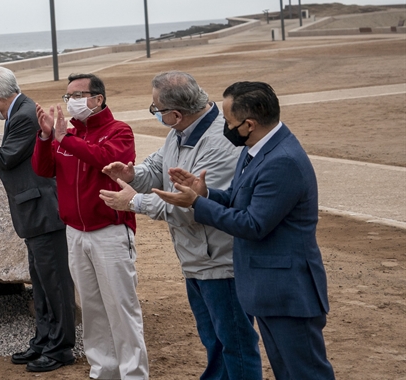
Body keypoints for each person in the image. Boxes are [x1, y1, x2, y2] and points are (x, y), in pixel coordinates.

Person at [155, 81, 333, 379]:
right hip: (268, 288)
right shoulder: (255, 149)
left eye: (228, 122)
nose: (225, 127)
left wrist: (197, 204)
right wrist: (206, 193)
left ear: (249, 124)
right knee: (286, 371)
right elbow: (241, 200)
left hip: (288, 291)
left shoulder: (282, 161)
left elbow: (253, 225)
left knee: (305, 372)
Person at [99, 72, 260, 380]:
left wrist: (135, 202)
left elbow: (190, 206)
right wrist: (134, 175)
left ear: (175, 114)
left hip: (222, 262)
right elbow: (160, 166)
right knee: (216, 342)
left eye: (156, 109)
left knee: (236, 346)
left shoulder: (221, 142)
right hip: (197, 259)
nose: (156, 113)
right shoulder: (181, 130)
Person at [0, 67, 76, 373]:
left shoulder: (23, 115)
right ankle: (44, 340)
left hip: (44, 213)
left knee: (55, 284)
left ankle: (61, 349)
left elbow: (6, 158)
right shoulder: (21, 111)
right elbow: (11, 156)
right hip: (34, 215)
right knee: (41, 283)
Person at [33, 73, 149, 380]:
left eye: (78, 95)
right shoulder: (66, 135)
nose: (71, 102)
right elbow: (43, 169)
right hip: (76, 233)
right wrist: (45, 138)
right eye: (68, 96)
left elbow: (104, 159)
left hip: (109, 232)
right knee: (94, 310)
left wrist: (65, 139)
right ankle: (104, 370)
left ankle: (133, 374)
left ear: (97, 99)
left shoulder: (118, 131)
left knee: (121, 309)